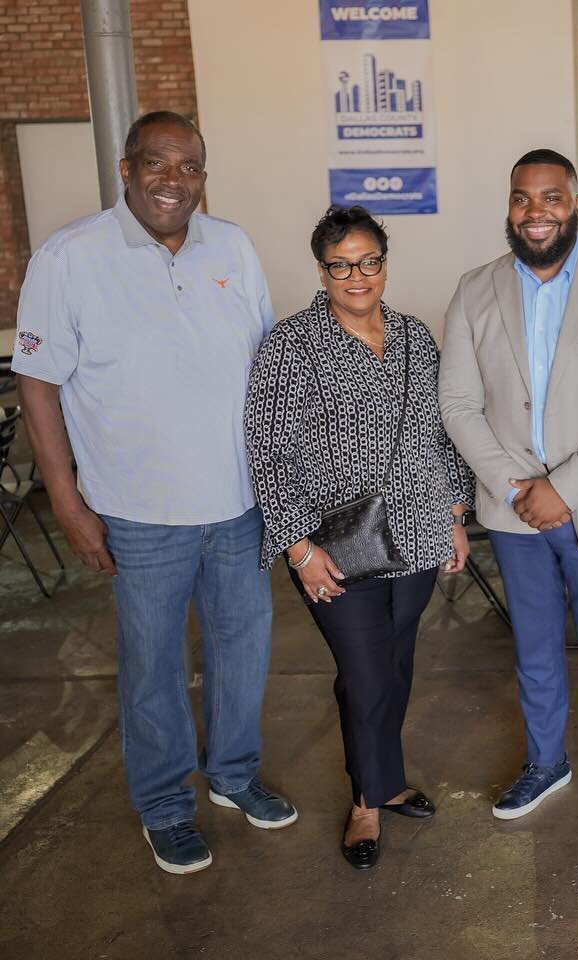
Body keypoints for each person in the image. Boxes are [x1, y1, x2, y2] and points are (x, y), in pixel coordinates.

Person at [11, 111, 295, 875]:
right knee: (153, 668)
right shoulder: (71, 256)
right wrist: (67, 502)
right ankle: (166, 806)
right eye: (158, 163)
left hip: (239, 504)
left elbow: (268, 370)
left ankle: (233, 776)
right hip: (139, 514)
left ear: (204, 174)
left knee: (244, 651)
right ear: (127, 167)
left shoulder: (231, 245)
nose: (175, 179)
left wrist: (282, 484)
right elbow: (37, 386)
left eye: (190, 165)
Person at [438, 149, 578, 845]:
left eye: (550, 197)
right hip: (512, 511)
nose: (536, 212)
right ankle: (545, 763)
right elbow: (458, 404)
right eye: (522, 199)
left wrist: (561, 488)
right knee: (533, 649)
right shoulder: (473, 292)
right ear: (509, 207)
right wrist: (517, 488)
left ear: (576, 204)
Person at [245, 205, 474, 870]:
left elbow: (439, 431)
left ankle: (389, 777)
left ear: (383, 264)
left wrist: (455, 514)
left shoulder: (412, 336)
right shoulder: (290, 345)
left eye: (367, 260)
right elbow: (268, 451)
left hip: (418, 528)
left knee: (395, 662)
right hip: (331, 543)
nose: (356, 274)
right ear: (321, 270)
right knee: (367, 671)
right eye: (340, 264)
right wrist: (298, 548)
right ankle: (366, 800)